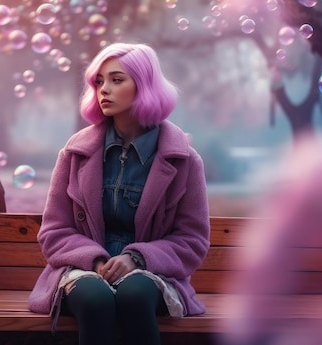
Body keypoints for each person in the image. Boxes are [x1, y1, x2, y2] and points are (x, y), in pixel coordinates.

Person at [28, 42, 210, 345]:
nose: (103, 90)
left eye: (116, 79)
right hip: (82, 269)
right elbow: (54, 232)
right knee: (95, 298)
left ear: (144, 85)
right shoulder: (75, 154)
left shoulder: (184, 160)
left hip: (153, 274)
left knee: (135, 294)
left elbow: (192, 240)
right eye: (99, 81)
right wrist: (96, 262)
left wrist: (137, 259)